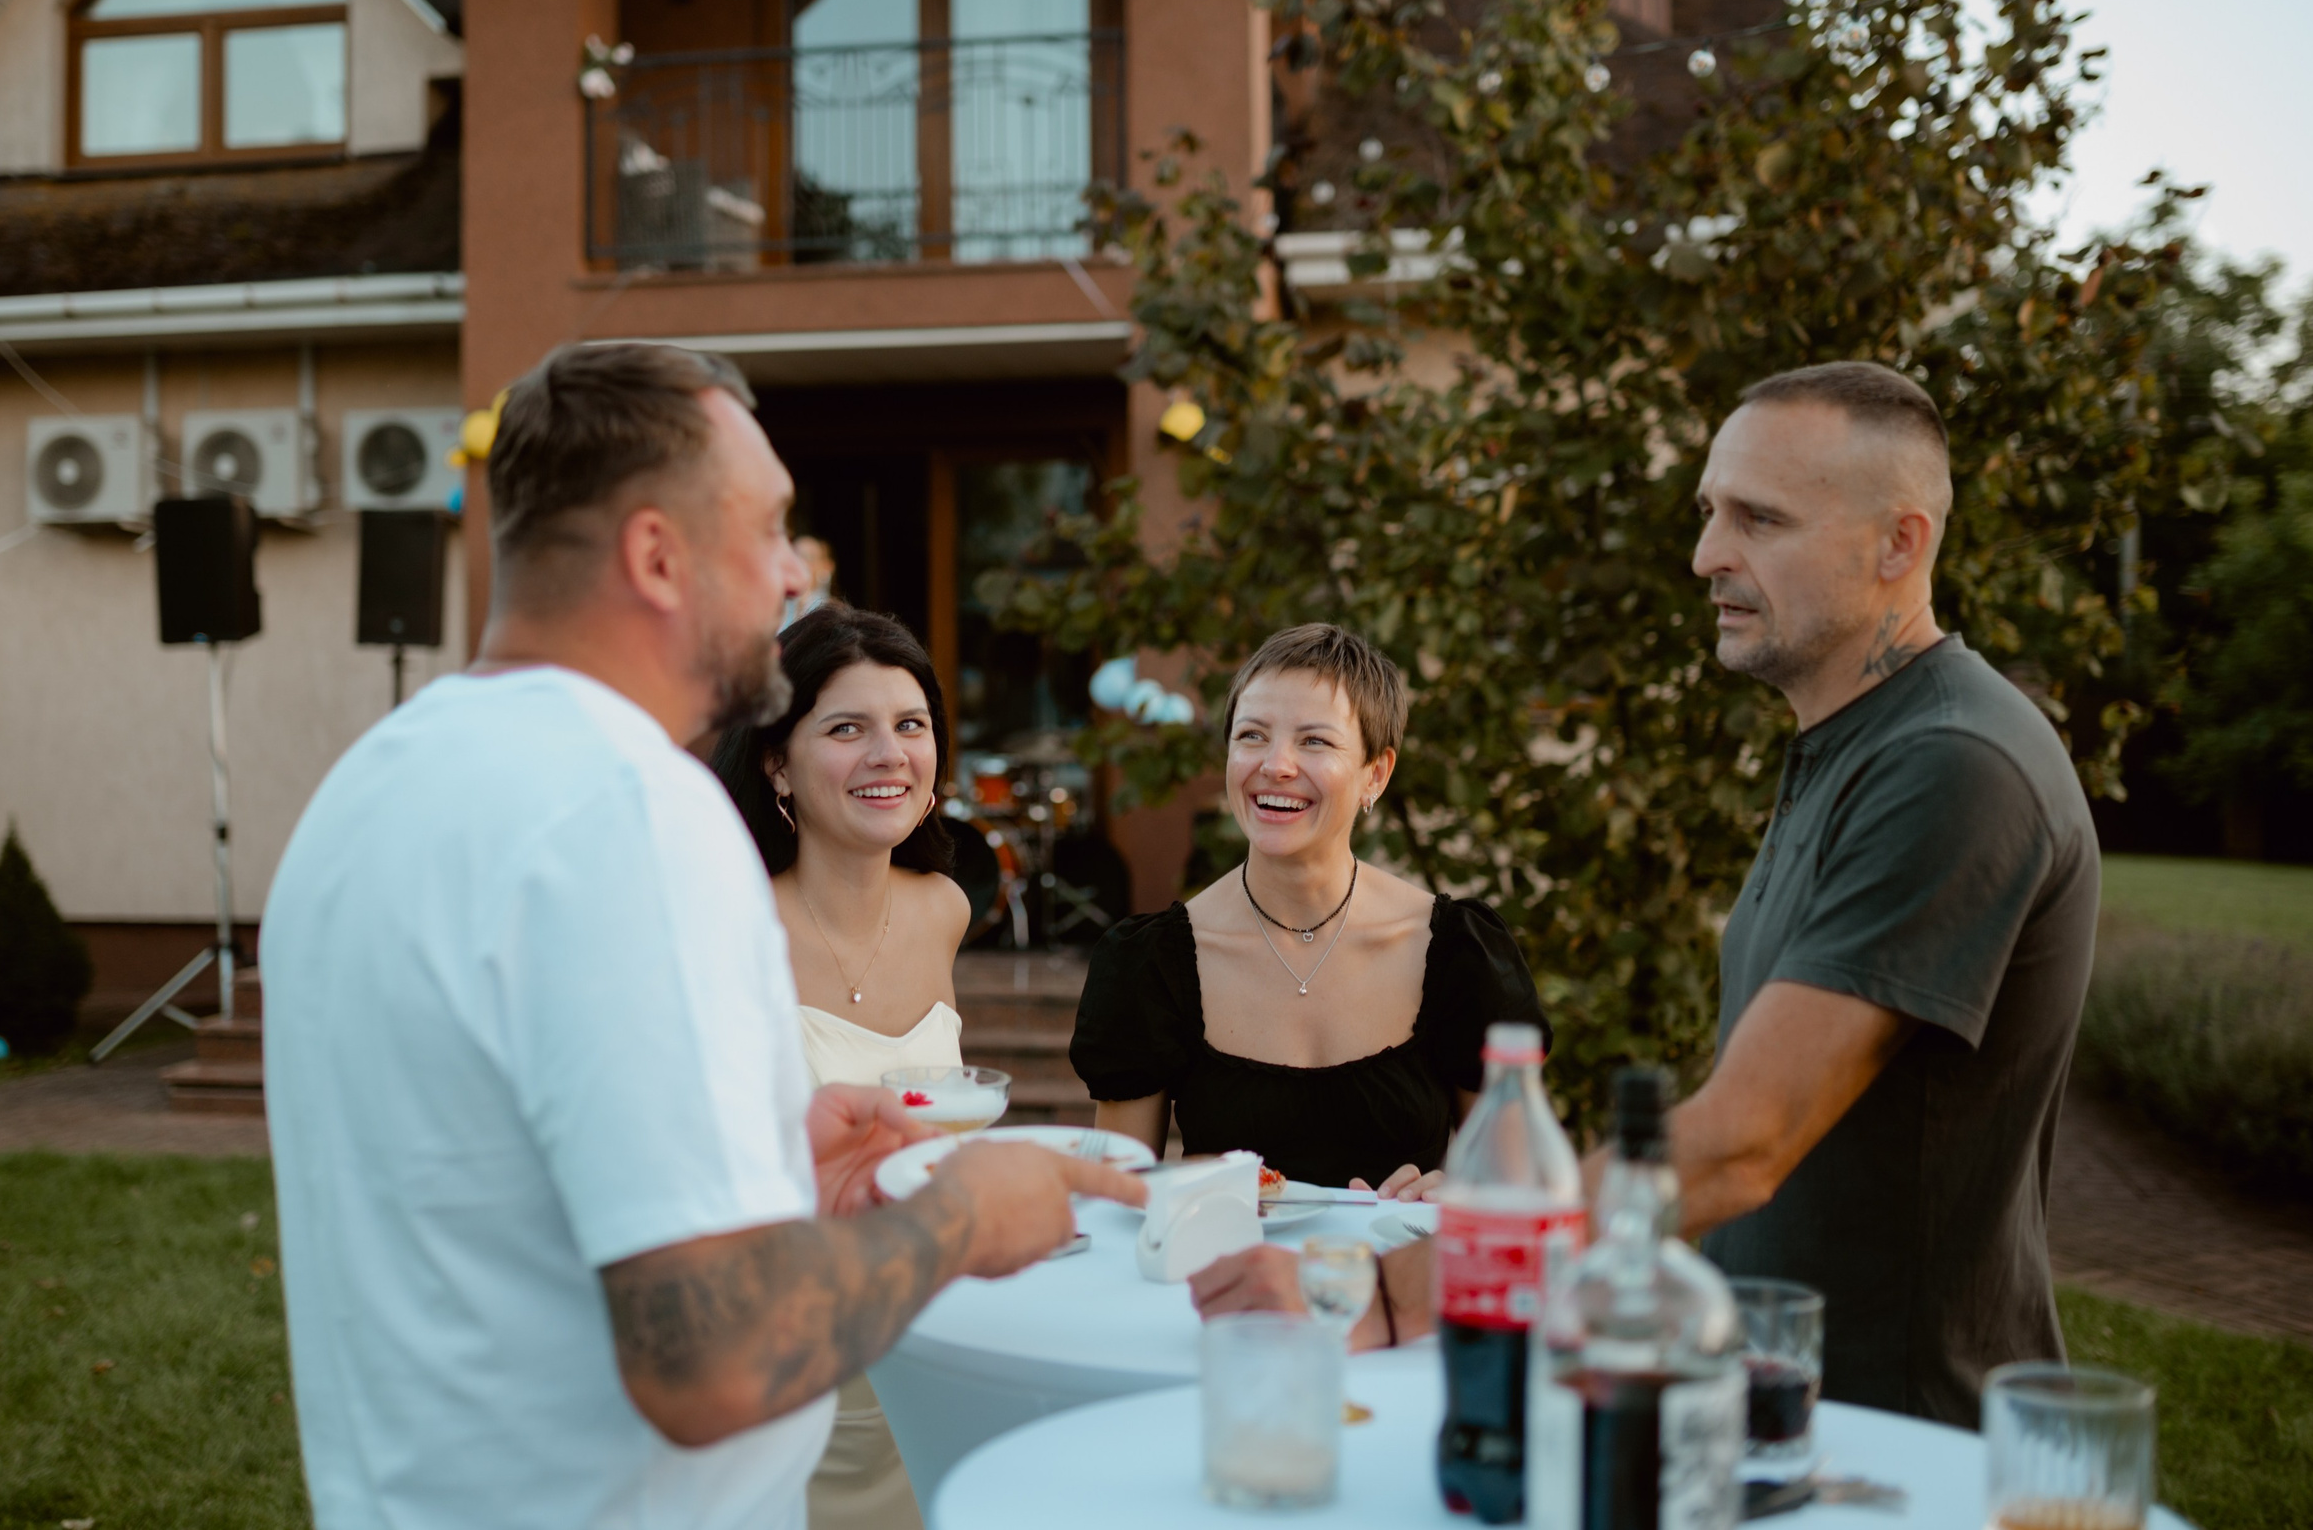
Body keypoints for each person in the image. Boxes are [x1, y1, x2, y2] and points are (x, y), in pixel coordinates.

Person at [260, 339, 1142, 1530]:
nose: (792, 573)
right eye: (771, 525)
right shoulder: (627, 811)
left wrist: (777, 1172)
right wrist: (965, 1214)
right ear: (657, 555)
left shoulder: (367, 788)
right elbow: (713, 1355)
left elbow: (491, 1179)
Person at [1192, 363, 2098, 1432]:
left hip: (1893, 1429)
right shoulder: (1852, 745)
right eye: (1711, 512)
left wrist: (1407, 1287)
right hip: (1778, 1393)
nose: (1707, 553)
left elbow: (1740, 1140)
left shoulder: (1949, 764)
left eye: (1758, 518)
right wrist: (1509, 1207)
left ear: (1898, 544)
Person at [1069, 623, 1547, 1193]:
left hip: (1400, 1278)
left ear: (1376, 773)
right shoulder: (1149, 963)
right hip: (1225, 1278)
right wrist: (1179, 1192)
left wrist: (1462, 1197)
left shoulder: (1460, 953)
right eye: (1251, 736)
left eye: (1314, 741)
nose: (1276, 765)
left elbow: (1520, 1191)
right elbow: (1119, 1201)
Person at [711, 606, 973, 1530]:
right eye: (846, 728)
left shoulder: (944, 907)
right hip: (788, 1365)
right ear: (777, 759)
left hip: (933, 1337)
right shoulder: (726, 927)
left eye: (911, 725)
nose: (889, 754)